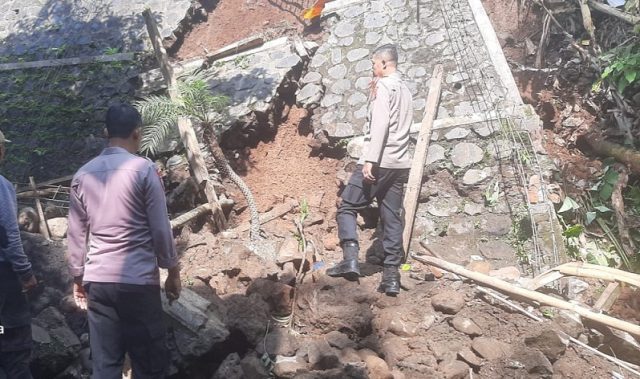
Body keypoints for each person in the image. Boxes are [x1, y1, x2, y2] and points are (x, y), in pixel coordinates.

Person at [67, 104, 181, 379]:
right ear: (138, 133)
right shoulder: (144, 170)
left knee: (105, 365)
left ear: (106, 132)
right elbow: (160, 227)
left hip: (100, 284)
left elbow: (75, 234)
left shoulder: (82, 175)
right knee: (149, 365)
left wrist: (78, 277)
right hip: (138, 283)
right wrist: (172, 270)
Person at [327, 45, 413, 296]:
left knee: (347, 207)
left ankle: (350, 260)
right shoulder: (406, 89)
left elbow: (381, 125)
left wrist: (370, 160)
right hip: (399, 164)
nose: (373, 68)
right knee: (391, 217)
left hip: (380, 161)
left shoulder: (385, 87)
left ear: (385, 64)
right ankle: (391, 276)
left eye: (374, 63)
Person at [0, 129, 38, 379]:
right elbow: (9, 235)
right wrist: (25, 273)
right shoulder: (1, 186)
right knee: (14, 344)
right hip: (3, 280)